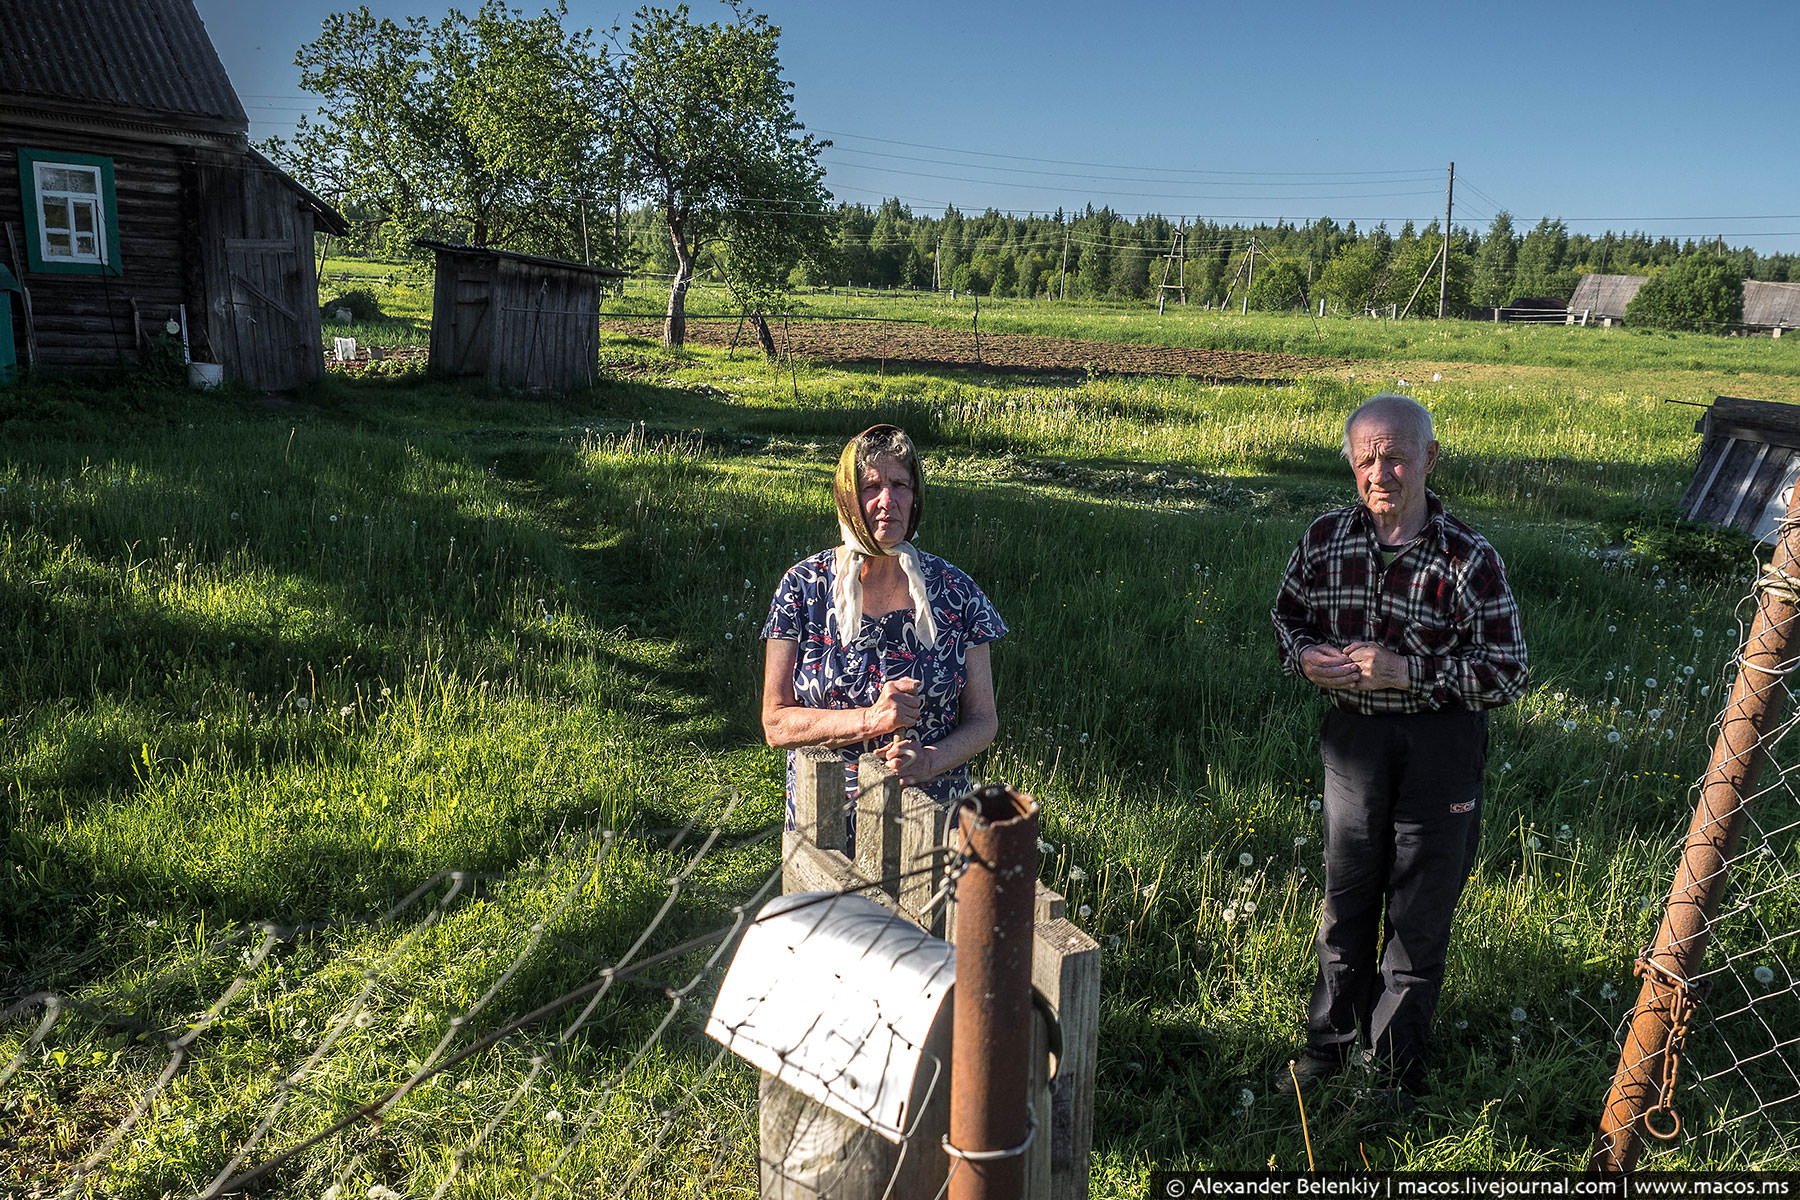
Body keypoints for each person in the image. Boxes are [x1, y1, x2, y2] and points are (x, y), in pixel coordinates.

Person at [1270, 393, 1529, 1103]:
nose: (1378, 472)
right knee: (1347, 898)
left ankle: (1394, 1076)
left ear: (1428, 460)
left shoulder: (1470, 557)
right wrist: (1305, 657)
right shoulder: (1327, 539)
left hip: (1441, 742)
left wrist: (1411, 672)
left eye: (1394, 457)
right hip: (1354, 739)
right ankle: (1328, 1049)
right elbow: (1287, 614)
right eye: (1364, 459)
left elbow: (1508, 672)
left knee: (1418, 912)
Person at [762, 424, 1006, 842]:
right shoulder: (802, 587)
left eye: (900, 484)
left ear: (916, 497)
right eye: (871, 486)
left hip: (931, 821)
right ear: (847, 497)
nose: (887, 502)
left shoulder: (956, 591)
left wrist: (929, 761)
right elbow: (776, 723)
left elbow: (983, 721)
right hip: (827, 822)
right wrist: (871, 720)